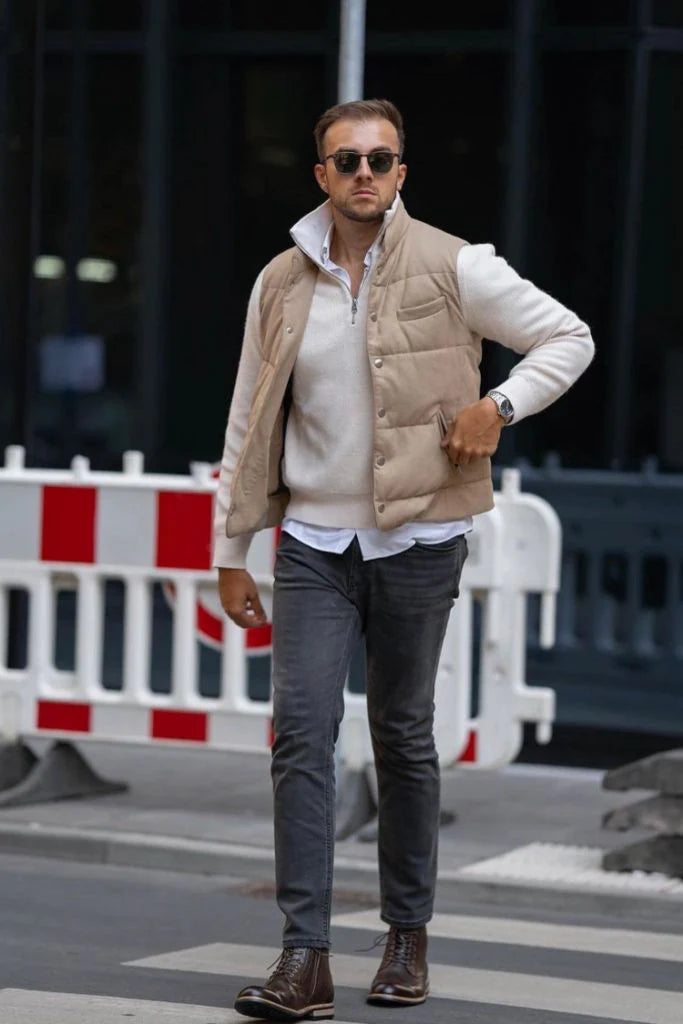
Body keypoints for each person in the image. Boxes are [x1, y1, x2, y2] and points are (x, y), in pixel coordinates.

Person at [214, 98, 594, 1022]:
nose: (363, 174)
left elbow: (568, 337)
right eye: (346, 160)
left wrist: (496, 408)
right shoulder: (280, 280)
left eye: (379, 159)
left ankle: (405, 938)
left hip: (419, 541)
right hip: (313, 543)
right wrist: (232, 549)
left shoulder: (456, 264)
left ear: (400, 173)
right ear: (321, 175)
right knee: (300, 734)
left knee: (403, 736)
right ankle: (304, 957)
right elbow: (247, 415)